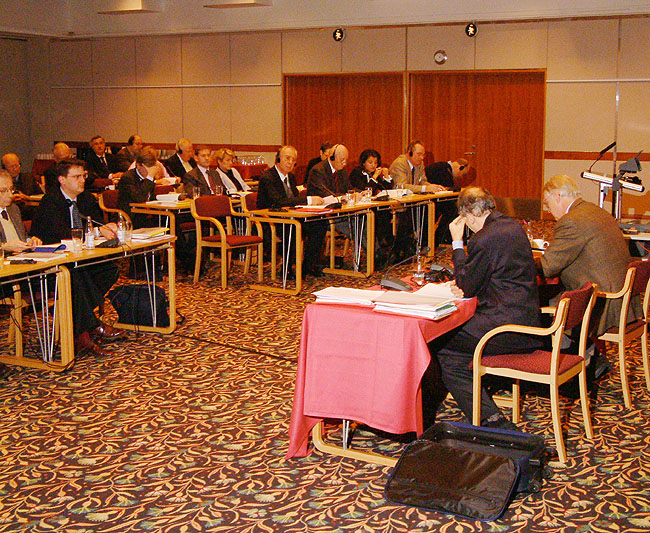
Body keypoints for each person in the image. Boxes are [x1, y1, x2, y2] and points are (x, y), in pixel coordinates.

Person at [424, 186, 543, 430]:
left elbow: (466, 286)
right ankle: (481, 404)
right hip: (528, 319)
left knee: (440, 344)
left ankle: (489, 419)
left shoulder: (483, 238)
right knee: (453, 347)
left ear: (467, 216)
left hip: (505, 329)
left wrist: (457, 243)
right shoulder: (513, 226)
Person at [540, 175, 635, 375]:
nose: (548, 210)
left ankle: (562, 366)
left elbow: (548, 267)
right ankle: (588, 355)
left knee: (538, 305)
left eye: (547, 204)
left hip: (604, 302)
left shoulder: (572, 221)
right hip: (623, 298)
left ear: (557, 196)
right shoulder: (595, 211)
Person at [31, 159, 124, 357]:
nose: (82, 180)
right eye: (77, 177)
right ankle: (87, 329)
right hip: (50, 266)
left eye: (84, 176)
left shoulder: (86, 199)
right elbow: (60, 235)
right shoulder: (50, 202)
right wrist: (97, 231)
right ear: (62, 180)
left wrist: (106, 228)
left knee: (109, 270)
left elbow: (95, 224)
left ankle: (74, 317)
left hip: (79, 260)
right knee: (76, 276)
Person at [257, 145, 326, 279]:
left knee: (319, 225)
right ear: (278, 159)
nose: (290, 162)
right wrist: (308, 200)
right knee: (292, 229)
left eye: (293, 160)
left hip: (290, 215)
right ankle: (286, 269)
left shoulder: (291, 177)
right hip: (270, 219)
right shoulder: (268, 177)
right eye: (287, 158)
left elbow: (293, 200)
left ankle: (308, 265)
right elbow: (279, 201)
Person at [348, 149, 394, 265]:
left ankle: (385, 245)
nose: (373, 165)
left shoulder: (373, 175)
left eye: (375, 163)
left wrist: (386, 176)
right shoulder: (357, 173)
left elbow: (386, 190)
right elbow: (365, 190)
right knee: (379, 214)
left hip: (374, 207)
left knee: (384, 211)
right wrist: (374, 177)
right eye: (370, 162)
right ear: (363, 163)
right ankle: (379, 248)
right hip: (360, 209)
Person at [425, 158, 471, 245]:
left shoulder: (443, 167)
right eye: (463, 174)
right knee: (453, 209)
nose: (461, 176)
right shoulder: (443, 170)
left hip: (433, 201)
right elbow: (447, 188)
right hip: (430, 202)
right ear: (461, 167)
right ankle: (442, 238)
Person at [0, 170, 41, 253]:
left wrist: (30, 241)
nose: (10, 195)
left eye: (11, 189)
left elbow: (23, 237)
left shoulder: (13, 209)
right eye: (3, 191)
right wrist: (3, 247)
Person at [117, 146, 157, 228]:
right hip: (131, 216)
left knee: (170, 220)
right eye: (148, 168)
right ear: (138, 166)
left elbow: (151, 198)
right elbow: (139, 198)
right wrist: (149, 178)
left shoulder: (148, 178)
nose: (151, 171)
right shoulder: (127, 178)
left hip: (146, 213)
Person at [1, 153, 42, 218]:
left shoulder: (29, 178)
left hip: (29, 213)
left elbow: (40, 196)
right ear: (4, 168)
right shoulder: (2, 182)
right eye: (11, 167)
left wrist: (27, 198)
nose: (15, 169)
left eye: (16, 165)